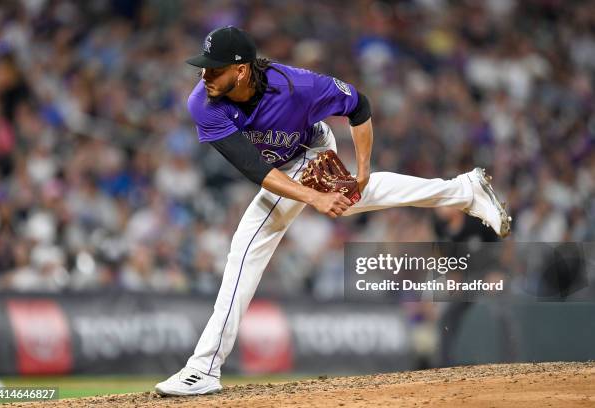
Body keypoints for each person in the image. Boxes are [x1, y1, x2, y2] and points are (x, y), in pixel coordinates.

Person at [155, 26, 511, 396]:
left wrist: (362, 170)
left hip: (311, 147)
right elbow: (256, 170)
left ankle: (204, 368)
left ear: (241, 70)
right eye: (203, 67)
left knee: (245, 249)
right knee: (289, 228)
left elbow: (360, 106)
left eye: (214, 69)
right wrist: (316, 196)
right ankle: (464, 191)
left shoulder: (299, 86)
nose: (204, 75)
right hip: (277, 167)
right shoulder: (203, 103)